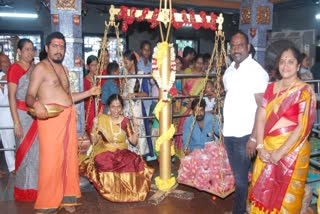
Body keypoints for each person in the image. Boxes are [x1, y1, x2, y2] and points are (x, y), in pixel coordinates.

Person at [25, 32, 100, 213]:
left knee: (68, 159)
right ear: (46, 48)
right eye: (55, 46)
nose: (59, 50)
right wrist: (36, 104)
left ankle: (67, 199)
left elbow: (68, 98)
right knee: (51, 161)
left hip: (67, 118)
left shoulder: (64, 70)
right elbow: (28, 96)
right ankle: (48, 203)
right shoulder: (40, 68)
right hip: (50, 120)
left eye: (62, 47)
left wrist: (89, 93)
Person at [249, 47, 316, 213]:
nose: (285, 65)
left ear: (299, 65)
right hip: (266, 149)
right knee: (261, 195)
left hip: (292, 153)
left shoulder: (305, 91)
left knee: (285, 199)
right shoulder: (270, 88)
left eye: (291, 61)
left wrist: (281, 152)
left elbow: (302, 126)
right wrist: (260, 147)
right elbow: (261, 117)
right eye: (282, 61)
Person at [223, 30, 269, 214]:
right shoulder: (229, 70)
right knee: (240, 176)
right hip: (230, 133)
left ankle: (238, 211)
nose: (236, 49)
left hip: (245, 135)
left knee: (241, 179)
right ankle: (248, 207)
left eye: (240, 45)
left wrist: (253, 138)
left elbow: (262, 107)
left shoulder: (257, 71)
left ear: (248, 47)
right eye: (233, 46)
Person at [80, 94, 154, 202]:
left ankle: (128, 193)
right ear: (109, 108)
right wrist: (94, 127)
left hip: (122, 151)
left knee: (135, 161)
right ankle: (111, 192)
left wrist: (136, 127)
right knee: (104, 162)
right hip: (105, 150)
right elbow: (94, 141)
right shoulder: (102, 119)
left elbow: (133, 142)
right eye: (113, 107)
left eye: (118, 106)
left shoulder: (125, 121)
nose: (116, 110)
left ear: (122, 108)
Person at [7, 39, 38, 201]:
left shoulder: (35, 69)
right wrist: (16, 121)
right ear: (19, 51)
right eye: (26, 49)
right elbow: (11, 97)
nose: (29, 52)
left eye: (32, 49)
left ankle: (36, 188)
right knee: (24, 153)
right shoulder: (14, 69)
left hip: (35, 115)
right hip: (21, 115)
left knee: (36, 154)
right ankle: (24, 190)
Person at [122, 50, 153, 156]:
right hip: (126, 110)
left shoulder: (141, 75)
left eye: (126, 62)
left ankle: (140, 160)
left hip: (137, 110)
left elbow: (146, 93)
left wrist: (134, 95)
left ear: (132, 62)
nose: (124, 65)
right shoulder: (124, 76)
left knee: (139, 135)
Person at [175, 54, 206, 155]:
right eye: (198, 63)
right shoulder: (187, 71)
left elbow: (203, 91)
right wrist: (190, 99)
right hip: (186, 101)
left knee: (194, 126)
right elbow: (183, 88)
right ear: (194, 63)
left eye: (201, 63)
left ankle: (194, 150)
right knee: (183, 125)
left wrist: (195, 101)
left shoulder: (203, 75)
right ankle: (180, 152)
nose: (199, 65)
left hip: (196, 103)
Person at [0, 53, 15, 174]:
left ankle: (17, 163)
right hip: (3, 114)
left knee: (15, 140)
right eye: (4, 61)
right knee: (7, 141)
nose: (7, 63)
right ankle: (12, 166)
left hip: (14, 112)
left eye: (8, 60)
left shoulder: (12, 75)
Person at [83, 55, 104, 134]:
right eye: (92, 65)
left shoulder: (100, 78)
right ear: (88, 67)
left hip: (100, 108)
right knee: (92, 132)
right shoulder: (85, 81)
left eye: (96, 65)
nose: (95, 68)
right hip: (90, 110)